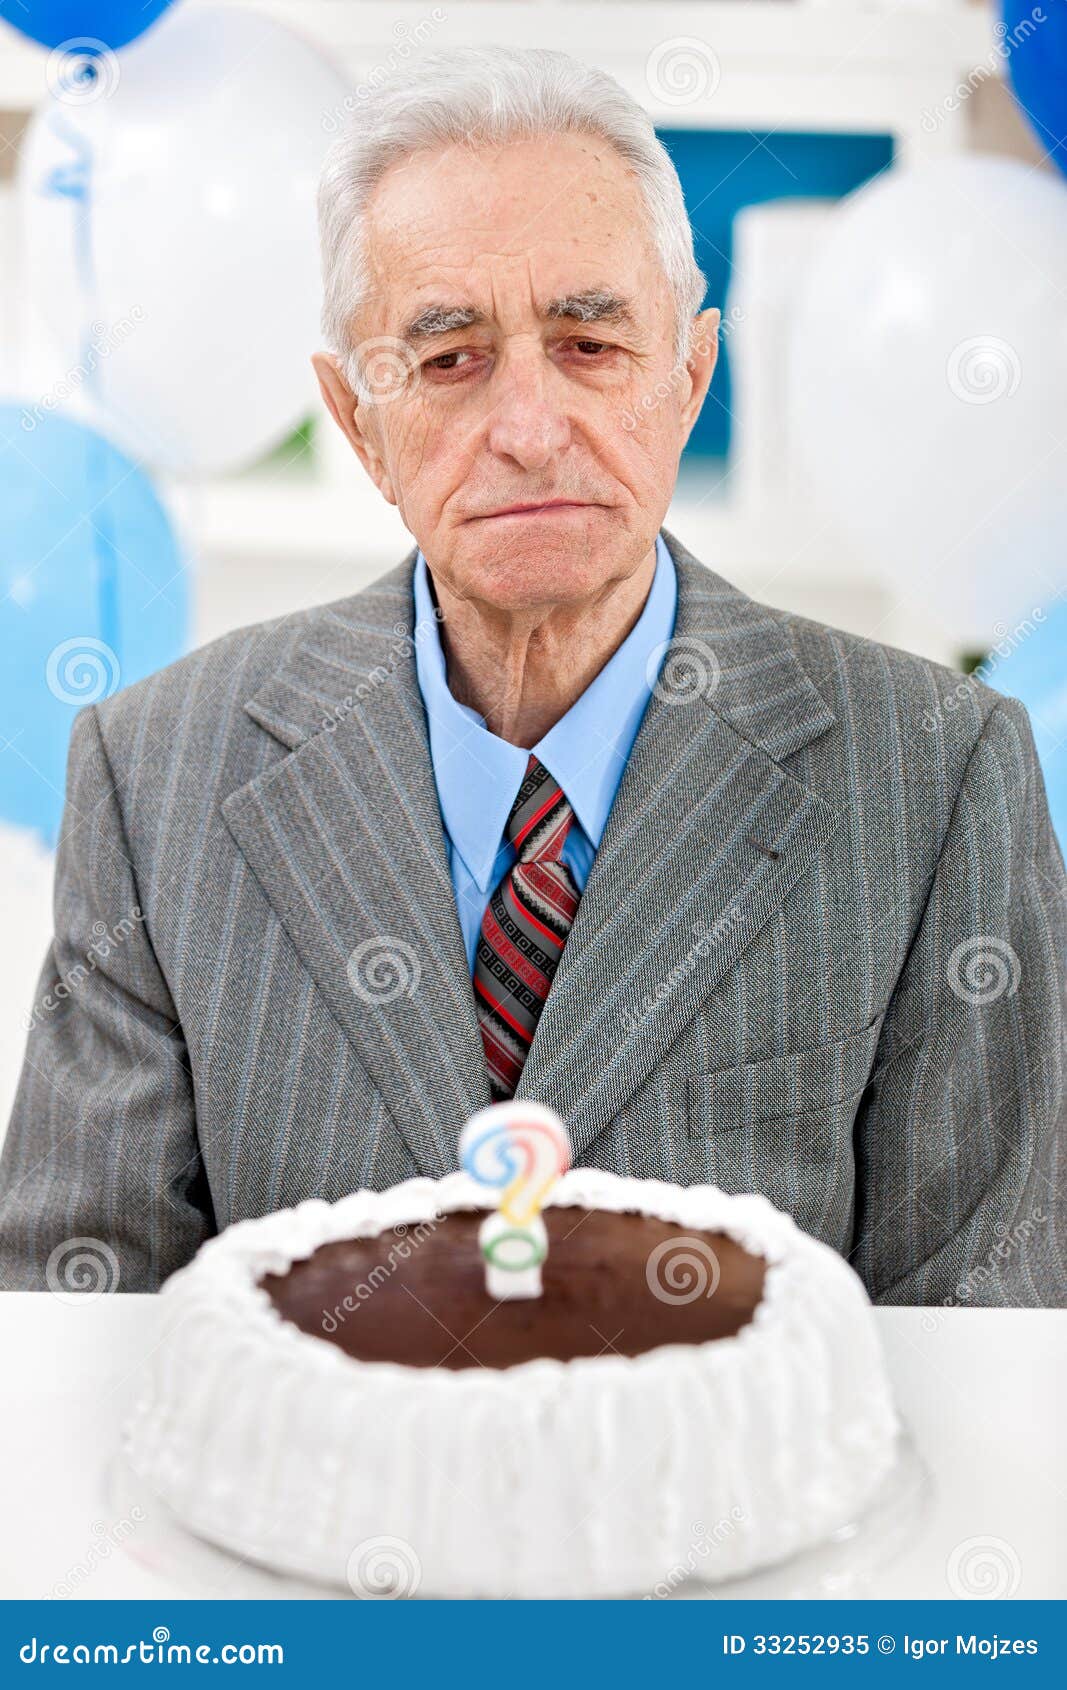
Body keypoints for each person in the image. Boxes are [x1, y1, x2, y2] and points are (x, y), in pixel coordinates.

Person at [1, 46, 1063, 1304]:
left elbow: (985, 1348)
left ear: (689, 375)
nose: (526, 427)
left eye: (589, 342)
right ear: (357, 423)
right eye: (447, 360)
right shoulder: (152, 770)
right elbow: (67, 1328)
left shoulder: (938, 772)